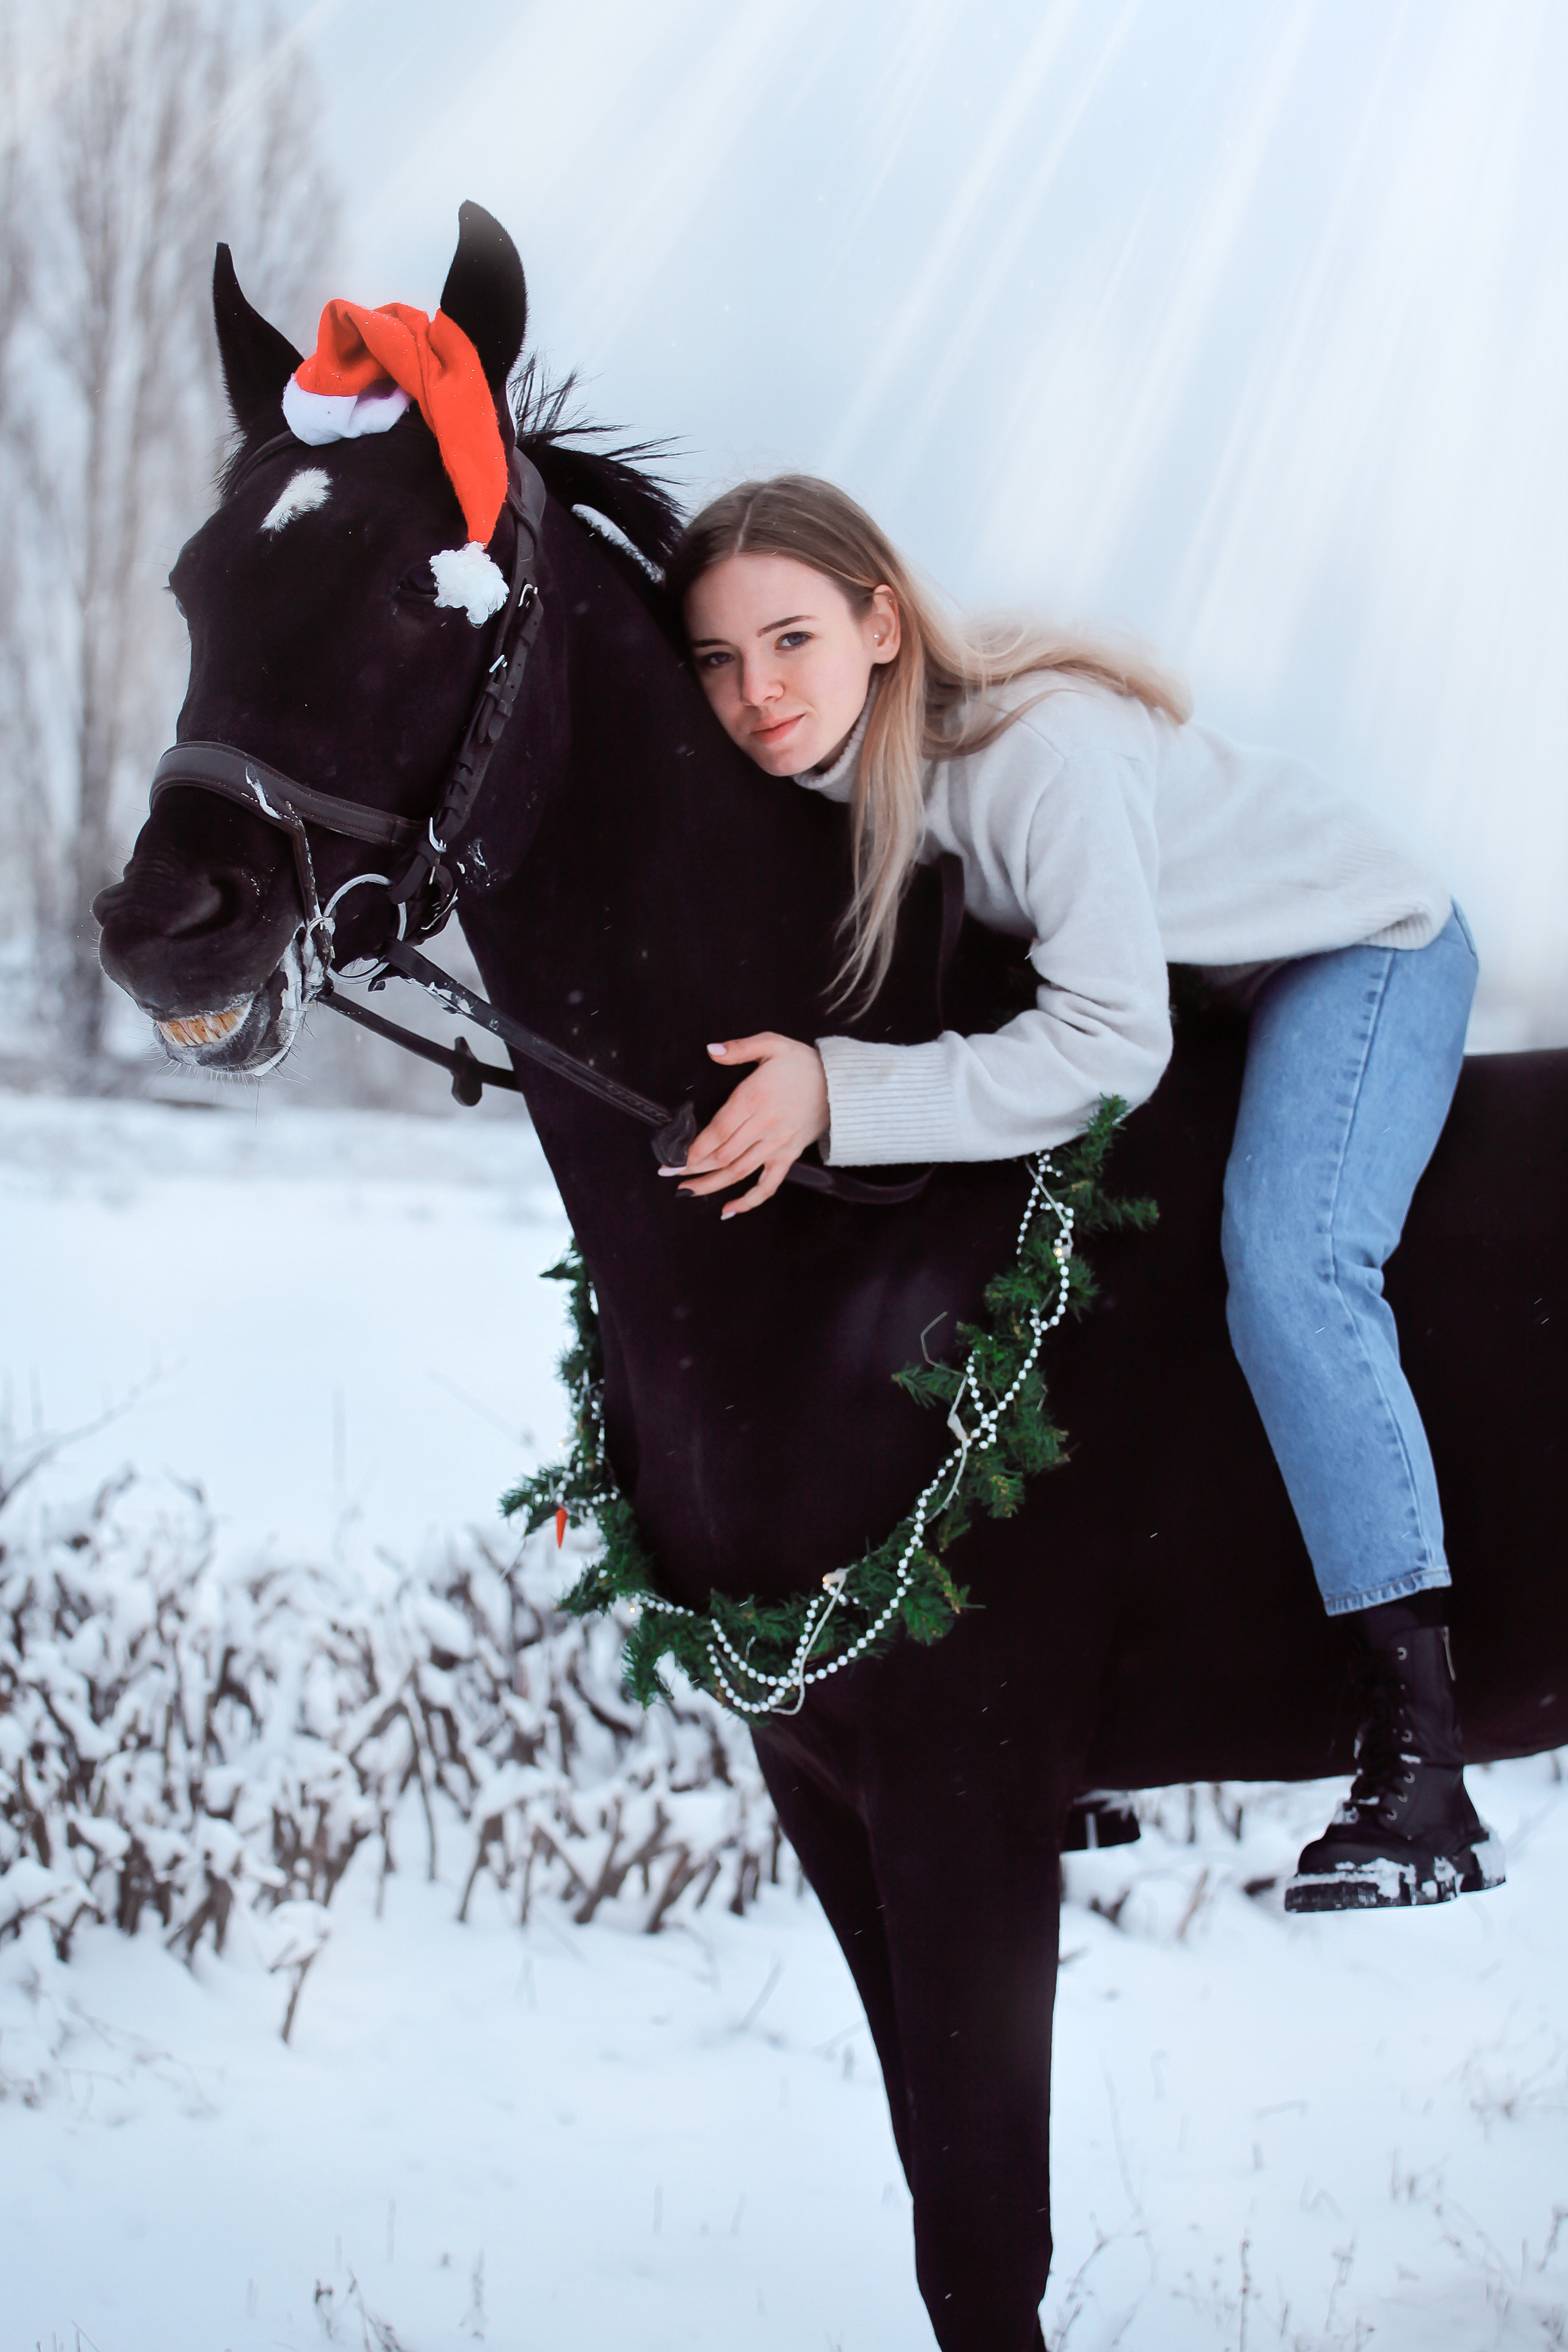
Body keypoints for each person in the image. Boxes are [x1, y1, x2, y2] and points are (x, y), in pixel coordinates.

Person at [661, 472, 1504, 1915]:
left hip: (1348, 951)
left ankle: (1421, 1767)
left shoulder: (1033, 752)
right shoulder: (822, 775)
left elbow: (1109, 1041)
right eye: (719, 661)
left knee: (1289, 1266)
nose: (757, 692)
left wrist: (836, 1095)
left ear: (877, 623)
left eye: (789, 639)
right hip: (1196, 983)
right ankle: (1069, 1722)